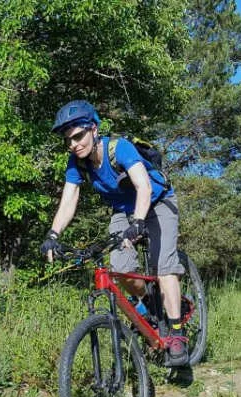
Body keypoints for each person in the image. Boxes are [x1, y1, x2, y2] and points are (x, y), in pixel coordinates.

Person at [41, 100, 188, 367]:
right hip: (124, 211)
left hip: (158, 202)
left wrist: (139, 222)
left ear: (94, 129)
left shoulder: (119, 148)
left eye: (78, 136)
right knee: (120, 269)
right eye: (68, 140)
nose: (73, 144)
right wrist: (53, 234)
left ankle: (177, 333)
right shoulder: (77, 163)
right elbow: (69, 199)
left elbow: (143, 186)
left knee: (164, 266)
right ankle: (152, 304)